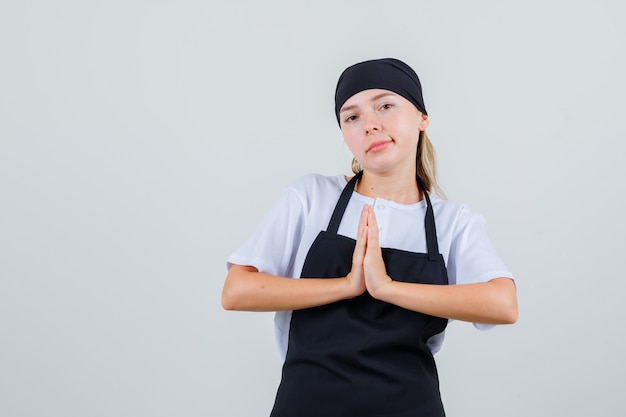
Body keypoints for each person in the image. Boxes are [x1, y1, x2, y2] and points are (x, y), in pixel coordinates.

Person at [222, 58, 518, 417]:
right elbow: (236, 290)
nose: (370, 125)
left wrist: (387, 287)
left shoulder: (452, 222)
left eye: (386, 105)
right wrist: (348, 284)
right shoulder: (311, 198)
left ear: (422, 118)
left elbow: (503, 304)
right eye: (352, 117)